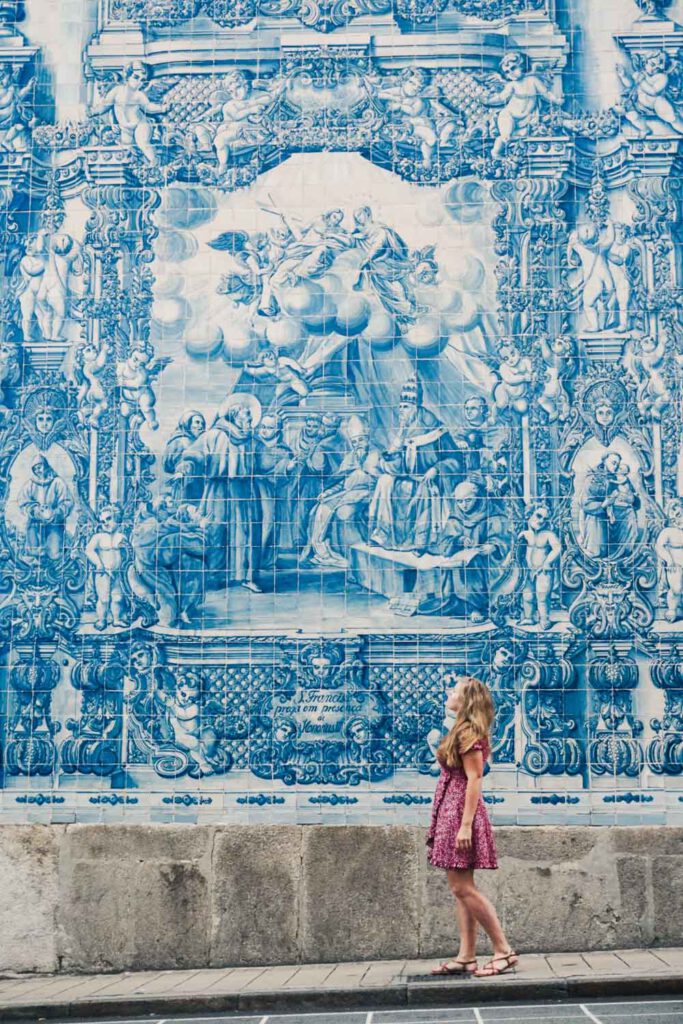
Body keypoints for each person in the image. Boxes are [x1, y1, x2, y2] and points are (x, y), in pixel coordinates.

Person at [427, 675, 518, 978]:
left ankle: (503, 951)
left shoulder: (468, 734)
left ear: (465, 702)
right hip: (451, 811)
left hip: (459, 815)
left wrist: (465, 826)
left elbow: (475, 780)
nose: (448, 692)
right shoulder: (459, 730)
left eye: (454, 691)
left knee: (461, 887)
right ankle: (466, 956)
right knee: (462, 889)